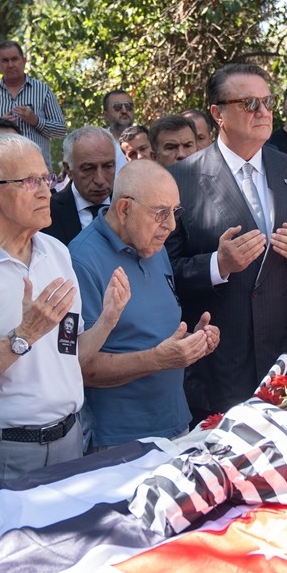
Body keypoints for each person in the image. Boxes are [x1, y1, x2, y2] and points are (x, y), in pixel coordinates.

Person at [0, 134, 129, 494]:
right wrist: (24, 336)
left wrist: (108, 319)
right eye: (29, 182)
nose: (45, 191)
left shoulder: (56, 252)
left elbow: (70, 356)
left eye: (47, 179)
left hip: (69, 440)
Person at [166, 63, 287, 421]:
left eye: (267, 101)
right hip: (224, 364)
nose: (263, 112)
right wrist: (218, 265)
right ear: (218, 113)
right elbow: (165, 271)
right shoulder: (181, 179)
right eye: (249, 103)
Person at [69, 161, 220, 449]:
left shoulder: (153, 246)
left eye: (175, 212)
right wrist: (160, 359)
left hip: (175, 423)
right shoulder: (81, 260)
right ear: (124, 209)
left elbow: (149, 336)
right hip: (118, 441)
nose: (172, 226)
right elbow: (80, 367)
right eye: (161, 213)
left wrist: (191, 343)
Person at [0, 41, 66, 168]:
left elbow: (60, 130)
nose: (10, 65)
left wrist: (36, 121)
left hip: (38, 167)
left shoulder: (42, 90)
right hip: (1, 168)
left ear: (24, 61)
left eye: (14, 59)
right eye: (5, 60)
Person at [45, 127, 117, 245]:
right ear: (68, 169)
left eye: (108, 166)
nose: (100, 180)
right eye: (88, 169)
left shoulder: (132, 206)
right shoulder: (48, 213)